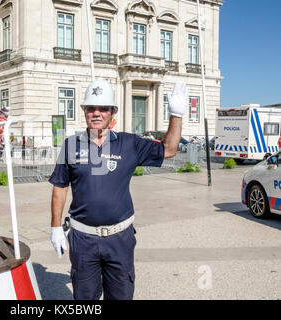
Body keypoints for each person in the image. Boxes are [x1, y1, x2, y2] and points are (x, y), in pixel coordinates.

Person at [49, 78, 187, 300]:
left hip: (119, 239)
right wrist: (55, 227)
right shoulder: (71, 145)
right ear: (84, 110)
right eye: (91, 108)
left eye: (103, 108)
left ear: (112, 112)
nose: (97, 113)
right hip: (83, 239)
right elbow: (60, 187)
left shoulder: (129, 144)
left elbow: (169, 149)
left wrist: (176, 114)